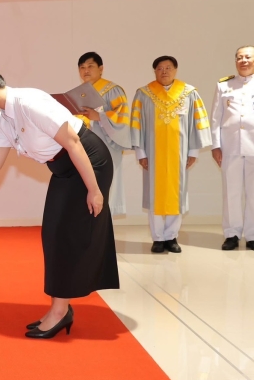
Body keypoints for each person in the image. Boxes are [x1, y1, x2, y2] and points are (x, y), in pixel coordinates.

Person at [0, 63, 119, 339]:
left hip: (88, 162)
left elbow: (73, 142)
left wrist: (94, 190)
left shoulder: (29, 102)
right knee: (53, 234)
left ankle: (60, 311)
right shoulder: (4, 120)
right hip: (64, 169)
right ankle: (60, 308)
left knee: (66, 235)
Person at [131, 56, 212, 253]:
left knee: (177, 193)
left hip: (180, 153)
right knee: (155, 194)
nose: (164, 71)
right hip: (153, 153)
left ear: (175, 70)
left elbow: (197, 123)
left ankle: (172, 237)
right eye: (160, 68)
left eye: (168, 67)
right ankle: (158, 238)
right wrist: (141, 153)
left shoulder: (189, 93)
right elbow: (136, 124)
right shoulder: (144, 94)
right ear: (155, 71)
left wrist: (193, 151)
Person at [75, 52, 131, 216]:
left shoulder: (113, 91)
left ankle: (104, 224)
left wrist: (99, 116)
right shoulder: (79, 93)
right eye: (82, 67)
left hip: (107, 145)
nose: (86, 70)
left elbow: (122, 118)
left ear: (101, 69)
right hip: (84, 146)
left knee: (106, 187)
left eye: (90, 66)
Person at [211, 46, 254, 251]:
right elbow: (215, 118)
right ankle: (232, 234)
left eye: (248, 57)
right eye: (240, 57)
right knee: (231, 192)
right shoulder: (224, 85)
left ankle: (252, 235)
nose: (243, 60)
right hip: (230, 146)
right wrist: (216, 145)